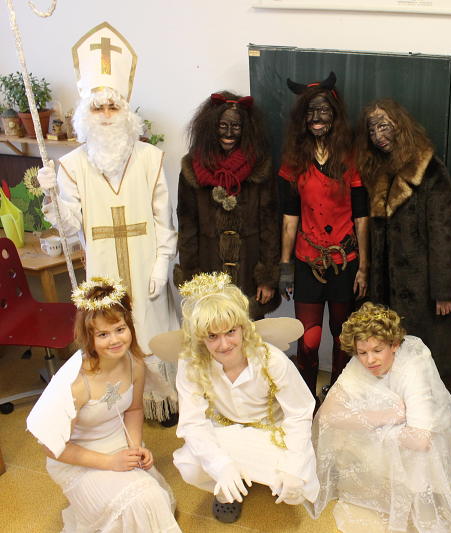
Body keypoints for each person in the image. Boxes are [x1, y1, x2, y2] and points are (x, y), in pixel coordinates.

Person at [37, 22, 178, 422]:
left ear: (126, 112)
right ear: (85, 115)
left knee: (151, 329)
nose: (105, 115)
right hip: (102, 270)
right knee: (110, 332)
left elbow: (164, 219)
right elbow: (69, 228)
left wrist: (162, 263)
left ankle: (161, 400)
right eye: (97, 108)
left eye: (112, 107)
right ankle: (117, 404)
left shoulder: (151, 158)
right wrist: (51, 194)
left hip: (146, 265)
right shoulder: (71, 165)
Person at [26, 277, 179, 532]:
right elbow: (51, 448)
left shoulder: (135, 364)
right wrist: (110, 463)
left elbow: (134, 409)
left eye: (120, 329)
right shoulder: (76, 383)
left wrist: (135, 447)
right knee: (140, 501)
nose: (115, 340)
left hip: (118, 443)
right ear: (89, 338)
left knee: (153, 499)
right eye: (103, 334)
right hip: (78, 458)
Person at [312, 302, 451, 533]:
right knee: (349, 422)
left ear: (395, 344)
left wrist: (377, 429)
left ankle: (442, 486)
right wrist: (384, 417)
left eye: (378, 350)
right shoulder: (359, 362)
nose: (370, 360)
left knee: (425, 478)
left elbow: (421, 440)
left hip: (427, 434)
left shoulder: (413, 366)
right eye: (362, 353)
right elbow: (327, 415)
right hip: (395, 424)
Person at [170, 272, 318, 523]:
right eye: (212, 336)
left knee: (296, 489)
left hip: (270, 430)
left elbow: (300, 412)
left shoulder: (270, 359)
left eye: (230, 331)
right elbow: (192, 422)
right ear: (200, 338)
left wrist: (294, 466)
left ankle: (254, 473)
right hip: (224, 429)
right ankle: (227, 488)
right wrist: (220, 466)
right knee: (189, 466)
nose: (224, 344)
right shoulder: (191, 363)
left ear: (243, 327)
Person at [355, 99, 451, 376]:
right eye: (372, 130)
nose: (378, 136)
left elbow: (444, 232)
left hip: (422, 286)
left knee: (423, 360)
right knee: (390, 360)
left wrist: (443, 291)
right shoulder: (377, 171)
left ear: (400, 126)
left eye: (383, 127)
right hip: (385, 285)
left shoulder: (429, 169)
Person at [278, 72, 369, 399]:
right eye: (311, 111)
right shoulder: (294, 161)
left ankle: (336, 398)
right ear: (302, 118)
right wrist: (285, 266)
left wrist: (364, 267)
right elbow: (290, 217)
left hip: (345, 261)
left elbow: (361, 216)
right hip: (308, 262)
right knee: (309, 338)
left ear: (335, 115)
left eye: (324, 111)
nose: (317, 118)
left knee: (343, 335)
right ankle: (306, 399)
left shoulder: (350, 158)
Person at [175, 91, 280, 319]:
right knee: (212, 331)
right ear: (210, 127)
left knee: (251, 333)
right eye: (223, 126)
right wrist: (193, 279)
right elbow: (187, 230)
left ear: (246, 129)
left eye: (236, 127)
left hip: (250, 271)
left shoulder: (260, 167)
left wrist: (267, 277)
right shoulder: (192, 168)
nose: (229, 133)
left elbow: (270, 226)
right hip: (208, 271)